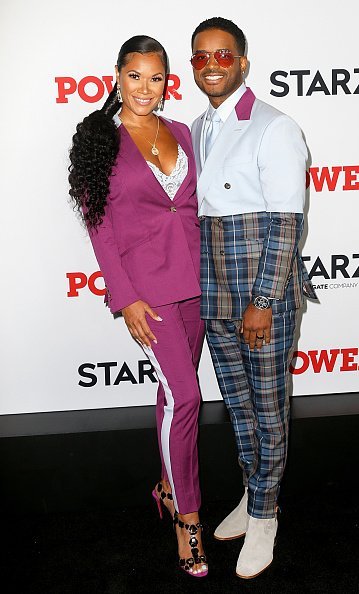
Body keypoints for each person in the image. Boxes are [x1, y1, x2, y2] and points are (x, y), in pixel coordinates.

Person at [68, 35, 208, 578]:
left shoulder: (179, 132)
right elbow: (99, 229)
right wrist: (124, 298)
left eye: (155, 77)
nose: (145, 88)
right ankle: (188, 521)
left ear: (166, 81)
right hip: (147, 295)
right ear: (117, 77)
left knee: (173, 395)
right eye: (134, 76)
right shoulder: (98, 138)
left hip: (197, 281)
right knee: (188, 398)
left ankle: (166, 486)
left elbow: (192, 206)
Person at [190, 18, 317, 579]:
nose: (211, 64)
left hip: (261, 290)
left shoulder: (275, 125)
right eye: (200, 57)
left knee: (268, 406)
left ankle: (266, 512)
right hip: (215, 287)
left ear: (243, 62)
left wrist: (263, 299)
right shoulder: (195, 127)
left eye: (223, 54)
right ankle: (252, 491)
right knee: (239, 406)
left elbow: (287, 225)